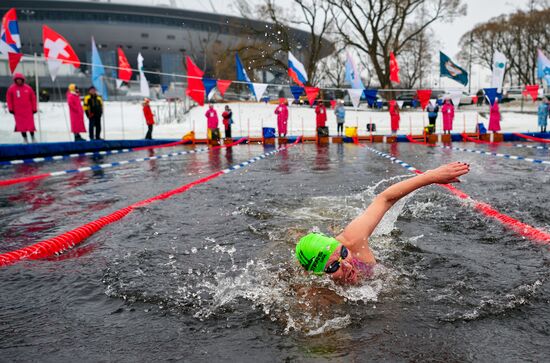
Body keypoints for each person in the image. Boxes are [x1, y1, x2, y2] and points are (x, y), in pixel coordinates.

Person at [295, 162, 470, 285]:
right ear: (317, 275)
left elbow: (385, 199)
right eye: (333, 267)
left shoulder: (353, 240)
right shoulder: (319, 294)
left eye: (342, 253)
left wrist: (430, 176)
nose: (347, 265)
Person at [6, 73, 37, 143]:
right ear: (15, 80)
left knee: (30, 125)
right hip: (18, 112)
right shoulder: (11, 89)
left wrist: (34, 108)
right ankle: (25, 139)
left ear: (22, 80)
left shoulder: (28, 88)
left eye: (20, 79)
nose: (19, 81)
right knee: (21, 126)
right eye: (17, 80)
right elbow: (9, 99)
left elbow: (33, 98)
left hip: (28, 111)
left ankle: (33, 138)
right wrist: (10, 108)